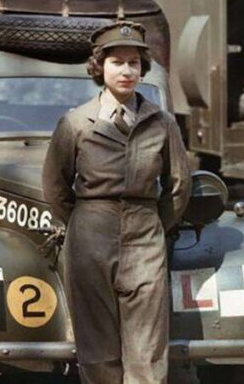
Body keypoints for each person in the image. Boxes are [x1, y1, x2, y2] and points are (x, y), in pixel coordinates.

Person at [42, 21, 191, 384]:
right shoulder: (76, 123)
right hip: (91, 236)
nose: (126, 71)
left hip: (145, 237)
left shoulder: (162, 123)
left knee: (148, 347)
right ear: (99, 67)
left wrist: (154, 224)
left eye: (134, 63)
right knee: (97, 347)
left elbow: (178, 185)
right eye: (117, 62)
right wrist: (84, 222)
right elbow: (55, 185)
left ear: (143, 69)